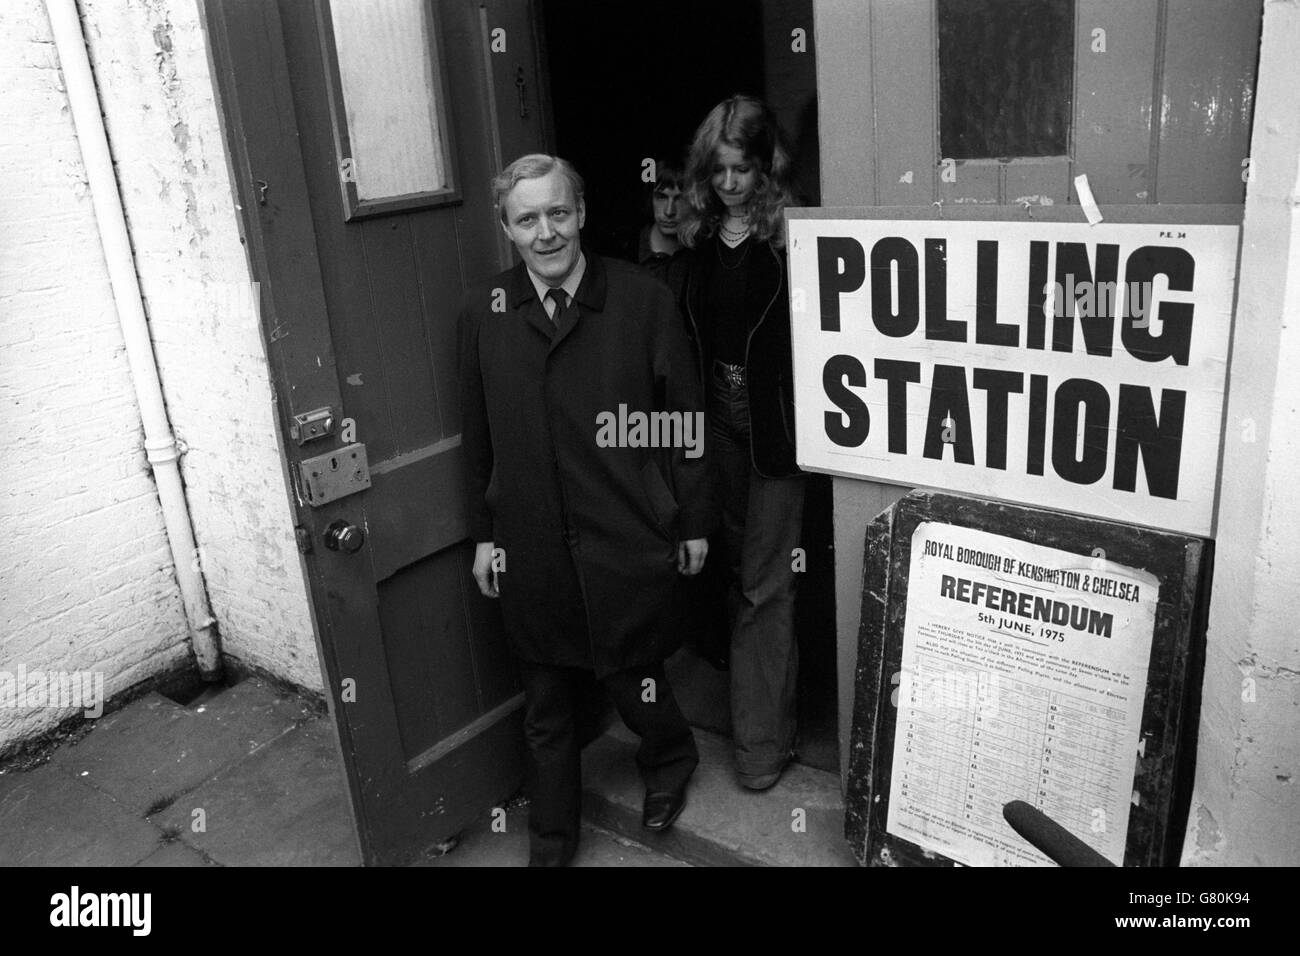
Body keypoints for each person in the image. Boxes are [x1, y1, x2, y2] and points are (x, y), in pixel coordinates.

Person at [457, 153, 715, 866]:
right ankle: (551, 842)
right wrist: (484, 536)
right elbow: (478, 437)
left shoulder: (639, 300)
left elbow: (683, 420)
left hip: (623, 532)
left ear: (582, 213)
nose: (547, 233)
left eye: (559, 213)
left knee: (634, 678)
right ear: (507, 228)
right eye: (528, 218)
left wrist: (690, 518)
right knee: (546, 708)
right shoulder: (486, 313)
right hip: (531, 542)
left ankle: (670, 759)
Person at [674, 95, 804, 792]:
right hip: (715, 427)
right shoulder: (693, 242)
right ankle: (759, 718)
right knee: (733, 577)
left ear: (766, 167)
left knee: (766, 586)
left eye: (743, 170)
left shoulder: (790, 238)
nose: (730, 183)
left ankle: (761, 750)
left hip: (776, 431)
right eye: (719, 170)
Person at [619, 157, 687, 285]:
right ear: (650, 198)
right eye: (661, 197)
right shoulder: (625, 250)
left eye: (680, 199)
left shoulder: (702, 257)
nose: (669, 211)